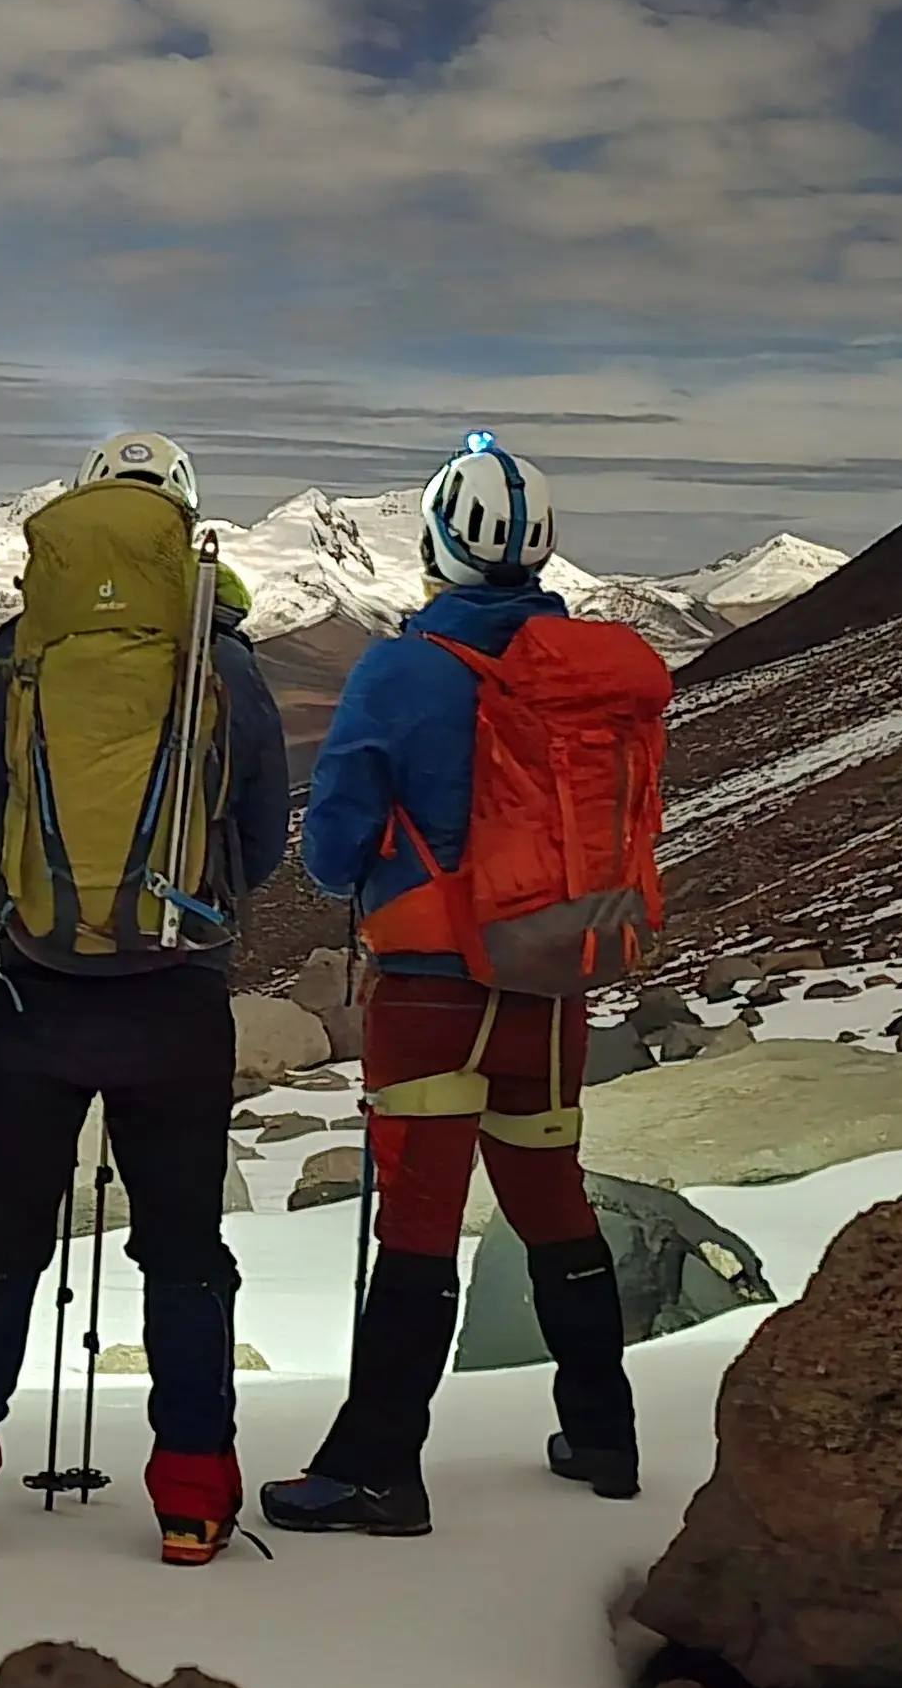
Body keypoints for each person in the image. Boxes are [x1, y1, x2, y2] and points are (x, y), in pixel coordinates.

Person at [0, 431, 291, 1567]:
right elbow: (259, 839)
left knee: (2, 1244)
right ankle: (195, 1496)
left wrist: (45, 883)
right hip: (177, 1000)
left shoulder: (12, 661)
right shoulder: (228, 669)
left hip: (33, 994)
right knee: (184, 1253)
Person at [261, 435, 671, 1537]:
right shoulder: (581, 670)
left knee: (421, 1223)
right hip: (549, 980)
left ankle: (380, 1469)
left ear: (439, 540)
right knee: (551, 1203)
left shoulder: (401, 670)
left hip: (432, 990)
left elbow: (334, 846)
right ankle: (603, 1435)